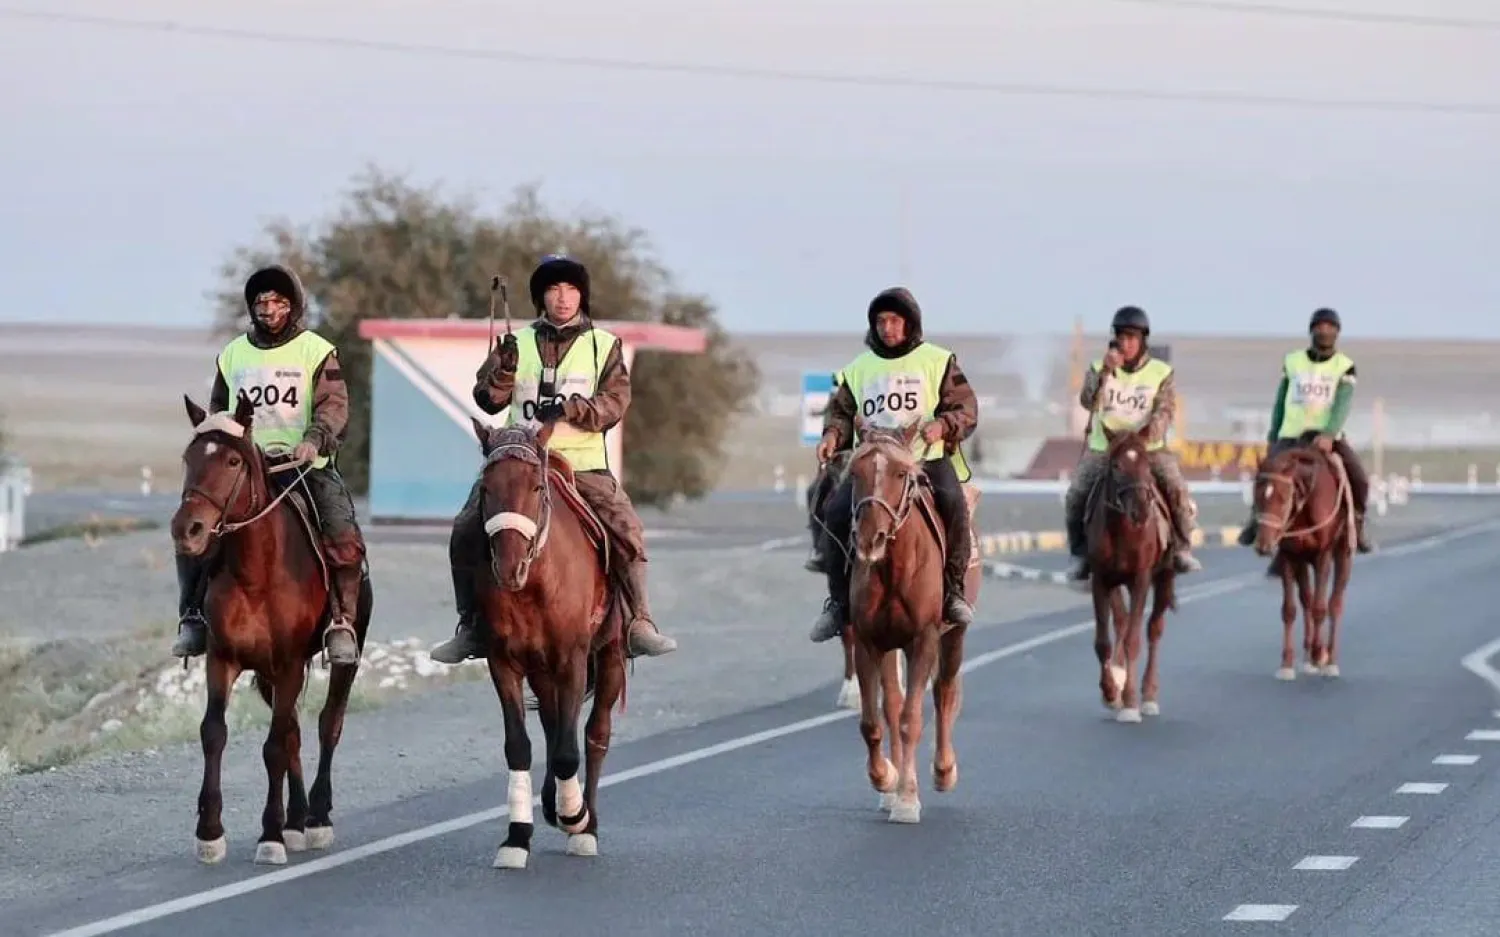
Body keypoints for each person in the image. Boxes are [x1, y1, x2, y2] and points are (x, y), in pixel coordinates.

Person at [429, 254, 678, 664]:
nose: (563, 298)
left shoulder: (604, 346)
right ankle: (471, 626)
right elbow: (487, 401)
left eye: (571, 289)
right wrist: (503, 373)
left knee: (627, 528)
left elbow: (616, 403)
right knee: (465, 527)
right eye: (554, 290)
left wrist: (572, 410)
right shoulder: (516, 343)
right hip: (519, 462)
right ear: (541, 297)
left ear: (582, 296)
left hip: (580, 465)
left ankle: (639, 622)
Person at [172, 264, 365, 664]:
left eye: (277, 301)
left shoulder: (316, 349)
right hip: (244, 466)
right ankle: (192, 617)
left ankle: (341, 621)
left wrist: (314, 440)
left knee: (341, 530)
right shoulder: (233, 354)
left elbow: (334, 405)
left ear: (292, 306)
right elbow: (220, 411)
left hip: (303, 465)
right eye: (261, 302)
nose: (268, 308)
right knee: (196, 525)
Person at [807, 287, 979, 643]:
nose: (887, 327)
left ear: (910, 323)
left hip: (923, 460)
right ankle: (839, 604)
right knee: (836, 512)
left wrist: (943, 425)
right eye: (881, 321)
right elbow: (840, 412)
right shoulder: (858, 369)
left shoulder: (938, 360)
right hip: (874, 466)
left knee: (954, 506)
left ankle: (953, 592)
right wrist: (831, 437)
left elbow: (965, 409)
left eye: (894, 320)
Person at [1064, 305, 1203, 581]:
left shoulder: (1161, 373)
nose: (1126, 344)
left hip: (1147, 449)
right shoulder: (1098, 367)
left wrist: (1143, 437)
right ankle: (1080, 554)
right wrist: (1104, 371)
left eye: (1132, 338)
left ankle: (1182, 548)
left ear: (1143, 341)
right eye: (1121, 338)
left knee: (1176, 488)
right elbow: (1087, 402)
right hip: (1105, 447)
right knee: (1076, 493)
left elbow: (1165, 412)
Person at [1236, 307, 1375, 552]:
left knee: (1360, 478)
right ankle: (1255, 522)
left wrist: (1330, 434)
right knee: (1266, 475)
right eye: (1320, 327)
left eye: (1330, 327)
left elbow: (1342, 404)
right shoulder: (1293, 362)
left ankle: (1358, 526)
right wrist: (1273, 435)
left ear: (1337, 333)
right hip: (1290, 437)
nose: (1325, 331)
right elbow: (1280, 401)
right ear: (1311, 331)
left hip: (1325, 438)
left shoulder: (1344, 366)